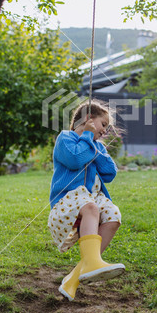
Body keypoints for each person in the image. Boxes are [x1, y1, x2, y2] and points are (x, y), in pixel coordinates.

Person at [48, 99, 125, 301]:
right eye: (103, 125)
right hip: (68, 200)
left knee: (113, 215)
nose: (105, 131)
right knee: (90, 207)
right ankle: (91, 263)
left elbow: (109, 173)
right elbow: (75, 160)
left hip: (92, 199)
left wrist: (96, 146)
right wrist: (88, 137)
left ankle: (75, 276)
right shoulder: (66, 138)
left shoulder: (96, 146)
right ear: (89, 120)